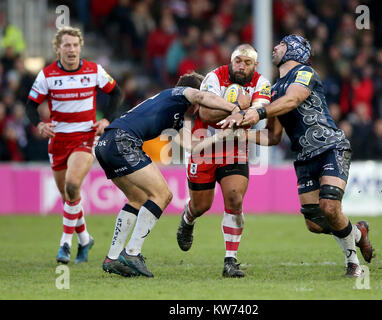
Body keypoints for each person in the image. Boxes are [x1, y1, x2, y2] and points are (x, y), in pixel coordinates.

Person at [222, 35, 375, 277]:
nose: (274, 47)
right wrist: (242, 135)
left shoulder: (305, 72)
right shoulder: (272, 90)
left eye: (281, 44)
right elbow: (273, 137)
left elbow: (294, 99)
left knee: (329, 206)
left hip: (330, 147)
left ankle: (353, 264)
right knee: (314, 223)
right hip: (304, 157)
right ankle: (358, 234)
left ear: (294, 49)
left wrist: (257, 111)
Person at [95, 72, 250, 277]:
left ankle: (113, 258)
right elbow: (203, 97)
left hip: (106, 143)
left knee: (138, 198)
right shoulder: (179, 93)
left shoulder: (175, 116)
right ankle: (132, 252)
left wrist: (221, 136)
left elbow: (192, 147)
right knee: (163, 195)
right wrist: (236, 109)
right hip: (123, 141)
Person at [25, 26, 123, 264]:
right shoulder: (47, 75)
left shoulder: (94, 71)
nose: (71, 49)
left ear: (80, 47)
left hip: (86, 137)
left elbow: (116, 93)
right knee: (70, 195)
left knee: (71, 185)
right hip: (58, 141)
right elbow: (30, 105)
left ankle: (65, 245)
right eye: (66, 45)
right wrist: (39, 124)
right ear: (58, 49)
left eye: (75, 45)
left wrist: (106, 119)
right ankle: (86, 239)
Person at [176, 44, 271, 278]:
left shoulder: (262, 83)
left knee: (234, 199)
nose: (242, 66)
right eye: (238, 61)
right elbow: (206, 114)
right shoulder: (214, 77)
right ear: (231, 60)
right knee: (201, 206)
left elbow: (258, 112)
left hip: (234, 148)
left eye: (247, 63)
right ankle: (187, 219)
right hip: (204, 147)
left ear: (255, 66)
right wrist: (239, 107)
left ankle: (231, 260)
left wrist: (244, 111)